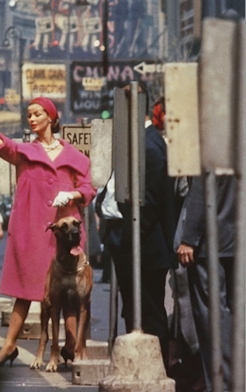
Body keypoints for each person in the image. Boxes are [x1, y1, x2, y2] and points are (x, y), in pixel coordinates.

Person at [0, 96, 96, 366]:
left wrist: (71, 194)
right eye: (29, 115)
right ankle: (10, 344)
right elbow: (5, 144)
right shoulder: (25, 151)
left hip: (63, 233)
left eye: (36, 114)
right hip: (33, 229)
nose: (31, 119)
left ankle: (70, 345)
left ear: (51, 118)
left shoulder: (74, 156)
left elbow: (88, 189)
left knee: (69, 291)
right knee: (25, 291)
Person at [108, 84, 177, 371]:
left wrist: (127, 240)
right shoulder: (140, 141)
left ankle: (154, 372)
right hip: (139, 246)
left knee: (148, 314)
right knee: (139, 311)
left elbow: (146, 206)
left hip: (144, 249)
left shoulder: (148, 146)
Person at [176, 175, 235, 391]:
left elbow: (201, 189)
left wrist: (189, 237)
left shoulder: (211, 144)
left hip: (210, 242)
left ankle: (223, 384)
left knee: (213, 321)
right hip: (236, 239)